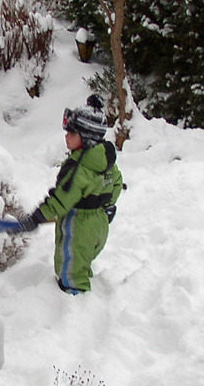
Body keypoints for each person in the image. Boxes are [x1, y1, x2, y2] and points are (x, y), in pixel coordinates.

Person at [15, 94, 123, 294]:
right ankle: (83, 291)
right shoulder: (105, 160)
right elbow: (116, 183)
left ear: (87, 138)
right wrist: (108, 206)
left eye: (72, 134)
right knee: (81, 263)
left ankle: (74, 304)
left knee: (70, 272)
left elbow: (62, 198)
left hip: (78, 226)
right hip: (99, 224)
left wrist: (38, 217)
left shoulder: (78, 166)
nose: (66, 137)